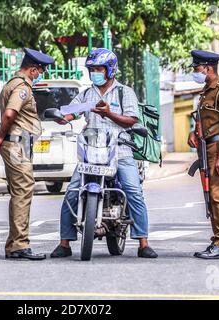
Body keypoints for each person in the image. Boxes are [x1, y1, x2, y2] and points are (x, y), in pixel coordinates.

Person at [50, 48, 158, 259]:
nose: (95, 73)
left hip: (120, 150)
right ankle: (64, 243)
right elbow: (71, 113)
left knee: (133, 190)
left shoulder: (123, 92)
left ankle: (143, 242)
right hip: (91, 152)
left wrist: (109, 113)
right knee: (72, 191)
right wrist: (61, 117)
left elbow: (132, 120)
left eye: (99, 69)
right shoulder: (87, 94)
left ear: (110, 70)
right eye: (92, 69)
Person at [0, 48, 54, 260]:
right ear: (33, 70)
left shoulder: (10, 84)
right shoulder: (22, 87)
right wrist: (1, 136)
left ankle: (15, 245)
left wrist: (2, 135)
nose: (39, 76)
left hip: (17, 145)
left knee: (19, 193)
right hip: (17, 146)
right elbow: (10, 113)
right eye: (40, 72)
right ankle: (18, 246)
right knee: (23, 193)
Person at [187, 50, 219, 259]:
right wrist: (194, 132)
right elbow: (204, 119)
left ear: (208, 68)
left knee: (218, 196)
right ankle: (217, 240)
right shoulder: (206, 91)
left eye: (197, 68)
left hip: (217, 148)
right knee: (210, 196)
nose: (195, 72)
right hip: (206, 148)